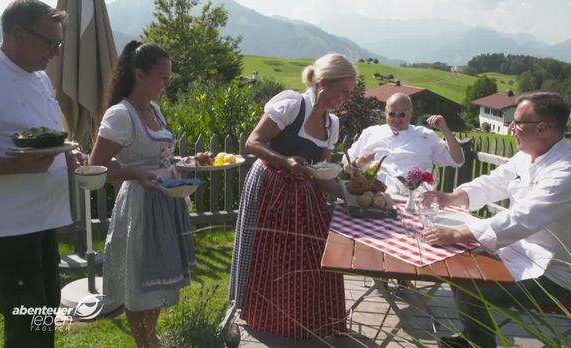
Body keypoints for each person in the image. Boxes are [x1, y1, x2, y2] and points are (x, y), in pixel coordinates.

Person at [422, 92, 571, 348]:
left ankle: (479, 344)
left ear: (541, 128)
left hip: (553, 274)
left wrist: (459, 233)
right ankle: (472, 339)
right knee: (459, 272)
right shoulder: (527, 156)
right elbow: (495, 181)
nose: (510, 128)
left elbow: (522, 218)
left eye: (517, 123)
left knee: (472, 289)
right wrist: (453, 197)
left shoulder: (568, 172)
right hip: (518, 252)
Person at [228, 53, 357, 339]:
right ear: (324, 83)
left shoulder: (331, 124)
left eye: (349, 93)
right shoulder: (291, 105)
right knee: (268, 256)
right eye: (343, 92)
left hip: (305, 197)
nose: (345, 99)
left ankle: (306, 320)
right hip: (269, 188)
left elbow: (323, 175)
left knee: (312, 256)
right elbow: (253, 142)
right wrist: (285, 161)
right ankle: (268, 320)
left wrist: (351, 196)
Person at [0, 1, 87, 347]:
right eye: (49, 43)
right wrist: (20, 165)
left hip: (43, 220)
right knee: (26, 321)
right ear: (18, 35)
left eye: (59, 44)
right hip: (10, 228)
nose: (55, 53)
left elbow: (46, 134)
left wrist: (68, 155)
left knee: (44, 312)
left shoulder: (40, 78)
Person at [89, 41, 196, 348]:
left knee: (159, 275)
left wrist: (181, 164)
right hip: (139, 205)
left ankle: (152, 335)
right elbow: (96, 168)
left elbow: (160, 157)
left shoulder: (156, 110)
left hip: (166, 201)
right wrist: (136, 174)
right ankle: (143, 341)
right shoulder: (120, 115)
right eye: (162, 77)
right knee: (139, 278)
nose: (167, 83)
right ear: (139, 74)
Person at [342, 92, 463, 195]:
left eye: (402, 114)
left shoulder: (425, 135)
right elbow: (346, 166)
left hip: (412, 198)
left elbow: (457, 160)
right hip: (372, 196)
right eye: (392, 114)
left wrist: (444, 128)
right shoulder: (371, 133)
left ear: (411, 113)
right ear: (385, 112)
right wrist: (359, 162)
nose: (396, 118)